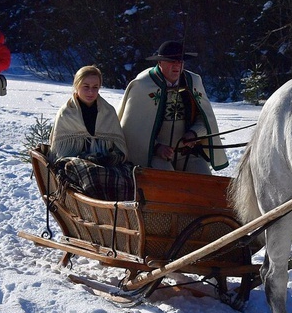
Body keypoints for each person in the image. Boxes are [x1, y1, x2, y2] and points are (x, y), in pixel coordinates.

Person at [117, 40, 227, 174]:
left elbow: (205, 118)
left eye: (180, 61)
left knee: (206, 185)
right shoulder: (143, 85)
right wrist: (157, 148)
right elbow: (131, 129)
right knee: (168, 184)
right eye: (171, 61)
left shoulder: (193, 81)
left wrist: (194, 133)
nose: (176, 65)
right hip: (154, 155)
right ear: (159, 62)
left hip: (187, 153)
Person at [49, 65, 134, 201]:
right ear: (76, 86)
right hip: (74, 162)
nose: (90, 92)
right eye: (86, 87)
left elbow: (119, 147)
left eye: (95, 87)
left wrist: (111, 157)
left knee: (127, 175)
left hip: (104, 159)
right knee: (91, 175)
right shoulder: (67, 113)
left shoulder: (108, 112)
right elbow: (60, 153)